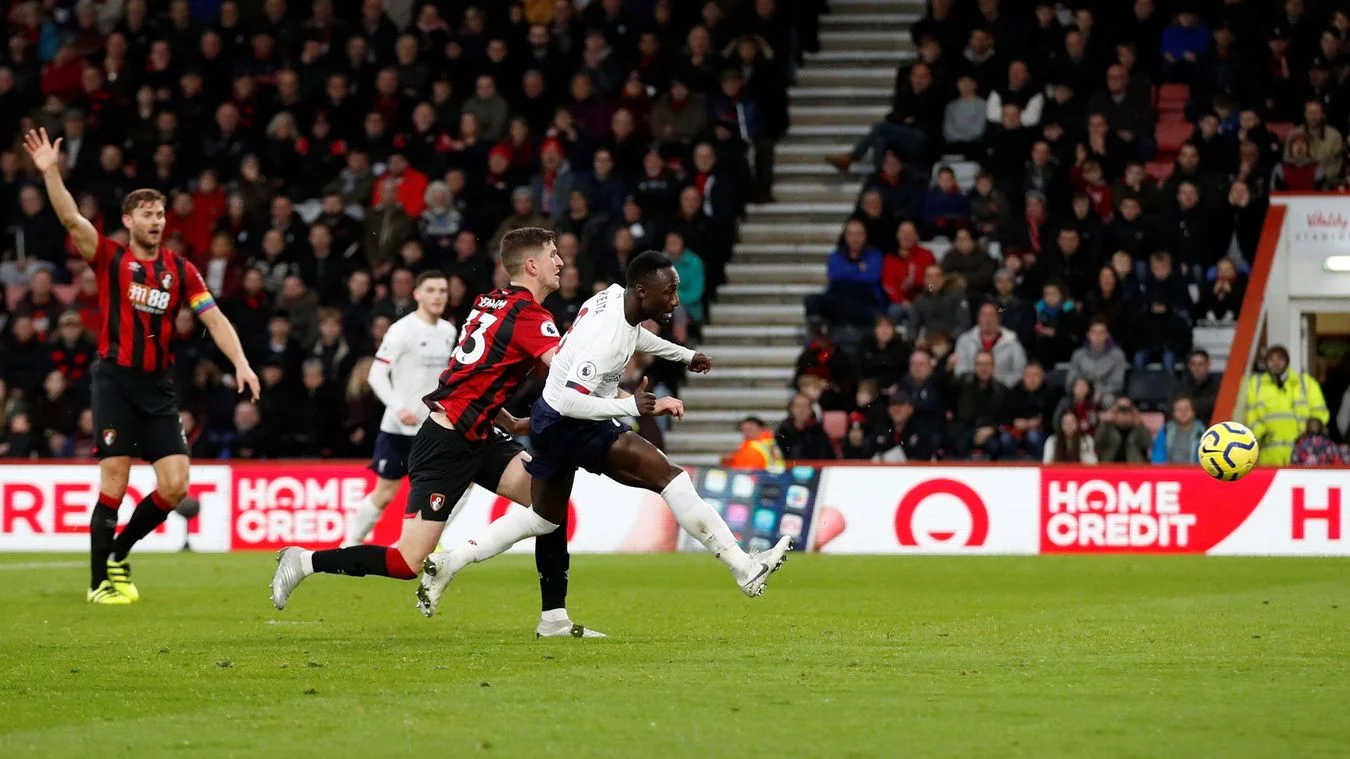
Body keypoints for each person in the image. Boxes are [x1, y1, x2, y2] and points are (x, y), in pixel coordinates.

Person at [417, 251, 792, 616]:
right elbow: (571, 400)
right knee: (671, 478)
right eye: (669, 292)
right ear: (642, 292)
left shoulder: (613, 298)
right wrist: (632, 407)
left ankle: (451, 561)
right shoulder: (605, 337)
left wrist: (684, 355)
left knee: (543, 519)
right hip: (570, 422)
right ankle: (744, 567)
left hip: (551, 420)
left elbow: (635, 336)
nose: (675, 301)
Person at [271, 228, 603, 639]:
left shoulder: (490, 301)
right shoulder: (529, 316)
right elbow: (570, 375)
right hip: (445, 443)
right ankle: (305, 561)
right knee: (406, 562)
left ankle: (554, 619)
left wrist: (505, 419)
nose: (561, 262)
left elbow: (472, 375)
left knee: (549, 503)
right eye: (554, 254)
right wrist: (621, 392)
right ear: (532, 265)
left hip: (480, 435)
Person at [23, 128, 261, 605]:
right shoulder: (110, 257)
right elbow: (70, 218)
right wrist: (51, 173)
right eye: (147, 214)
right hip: (114, 380)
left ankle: (119, 552)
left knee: (175, 486)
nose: (156, 221)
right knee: (115, 481)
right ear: (128, 220)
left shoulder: (180, 270)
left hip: (157, 387)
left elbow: (214, 318)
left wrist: (241, 362)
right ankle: (98, 584)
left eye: (160, 214)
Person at [341, 271, 460, 547]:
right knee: (385, 493)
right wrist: (399, 409)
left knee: (450, 488)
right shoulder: (401, 329)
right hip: (398, 427)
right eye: (430, 290)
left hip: (432, 428)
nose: (437, 296)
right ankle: (349, 545)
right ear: (417, 294)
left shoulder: (448, 331)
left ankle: (408, 547)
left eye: (442, 291)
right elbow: (376, 374)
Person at [1244, 345, 1329, 466]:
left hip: (1303, 452)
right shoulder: (1255, 384)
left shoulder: (1305, 382)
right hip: (1269, 453)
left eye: (1280, 359)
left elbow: (1320, 411)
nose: (1276, 363)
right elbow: (1250, 414)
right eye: (1271, 359)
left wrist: (1312, 429)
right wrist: (1262, 433)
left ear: (1287, 361)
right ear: (1266, 363)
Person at [1151, 396, 1203, 464]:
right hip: (1169, 470)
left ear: (1193, 412)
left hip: (1194, 470)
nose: (1183, 413)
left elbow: (1204, 459)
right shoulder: (1165, 430)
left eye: (1187, 409)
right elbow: (1158, 457)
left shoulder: (1202, 433)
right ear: (1173, 413)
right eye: (1179, 410)